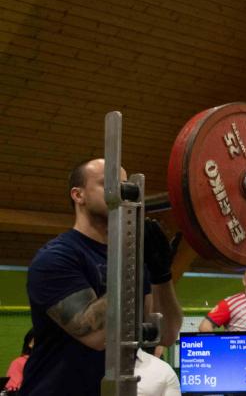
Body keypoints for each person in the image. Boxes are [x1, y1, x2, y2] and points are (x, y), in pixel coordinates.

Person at [21, 158, 183, 396]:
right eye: (108, 183)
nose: (122, 192)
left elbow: (166, 334)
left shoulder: (135, 260)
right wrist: (131, 264)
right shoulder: (56, 258)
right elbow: (96, 336)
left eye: (125, 185)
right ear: (78, 195)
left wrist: (162, 275)